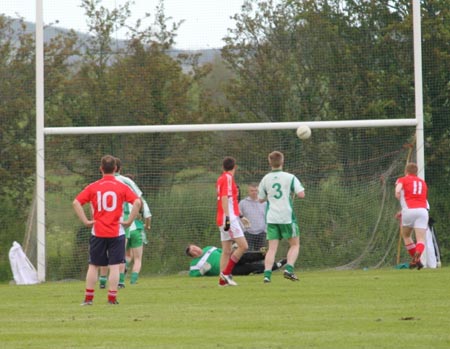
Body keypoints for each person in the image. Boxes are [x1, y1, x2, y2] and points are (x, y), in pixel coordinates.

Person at [73, 155, 141, 305]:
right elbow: (137, 202)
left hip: (98, 231)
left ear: (101, 169)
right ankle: (112, 298)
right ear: (115, 169)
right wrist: (129, 221)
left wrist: (85, 221)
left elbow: (76, 202)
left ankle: (88, 298)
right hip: (116, 232)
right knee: (115, 266)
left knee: (94, 265)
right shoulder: (122, 187)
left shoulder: (93, 186)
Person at [99, 160, 152, 288]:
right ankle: (121, 281)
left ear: (101, 168)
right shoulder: (126, 182)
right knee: (121, 254)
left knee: (105, 252)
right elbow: (140, 201)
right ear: (118, 168)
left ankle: (102, 281)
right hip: (124, 222)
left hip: (104, 221)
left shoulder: (99, 183)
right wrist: (145, 220)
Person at [258, 151, 305, 283]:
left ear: (269, 162)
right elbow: (301, 194)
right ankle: (288, 269)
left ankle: (267, 276)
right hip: (287, 217)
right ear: (282, 161)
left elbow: (260, 199)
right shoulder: (290, 177)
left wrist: (270, 195)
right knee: (295, 244)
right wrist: (292, 193)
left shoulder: (265, 179)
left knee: (272, 248)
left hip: (272, 217)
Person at [216, 156, 249, 286]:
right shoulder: (228, 178)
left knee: (226, 250)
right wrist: (229, 217)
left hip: (223, 217)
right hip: (228, 218)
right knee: (243, 246)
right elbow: (225, 198)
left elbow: (232, 201)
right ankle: (226, 274)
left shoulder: (221, 178)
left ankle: (222, 281)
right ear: (235, 167)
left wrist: (240, 216)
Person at [395, 162, 429, 270]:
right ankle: (418, 257)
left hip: (409, 211)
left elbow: (398, 188)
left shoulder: (402, 179)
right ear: (416, 172)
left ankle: (416, 259)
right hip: (423, 211)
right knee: (421, 239)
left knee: (406, 236)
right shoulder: (423, 183)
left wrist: (397, 192)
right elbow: (420, 199)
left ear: (406, 171)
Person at [185, 244, 286, 277]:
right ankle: (275, 266)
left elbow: (224, 251)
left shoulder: (209, 248)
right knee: (250, 268)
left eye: (194, 247)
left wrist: (233, 249)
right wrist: (202, 271)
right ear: (192, 256)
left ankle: (264, 254)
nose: (195, 250)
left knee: (245, 256)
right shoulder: (194, 264)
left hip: (231, 259)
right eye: (192, 251)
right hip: (228, 270)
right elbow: (192, 275)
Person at [239, 183, 267, 252]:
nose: (254, 192)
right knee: (248, 254)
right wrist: (243, 230)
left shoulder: (264, 203)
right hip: (248, 233)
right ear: (248, 191)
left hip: (261, 233)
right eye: (252, 190)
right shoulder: (242, 203)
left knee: (261, 255)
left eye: (256, 190)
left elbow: (268, 217)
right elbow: (238, 217)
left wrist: (265, 230)